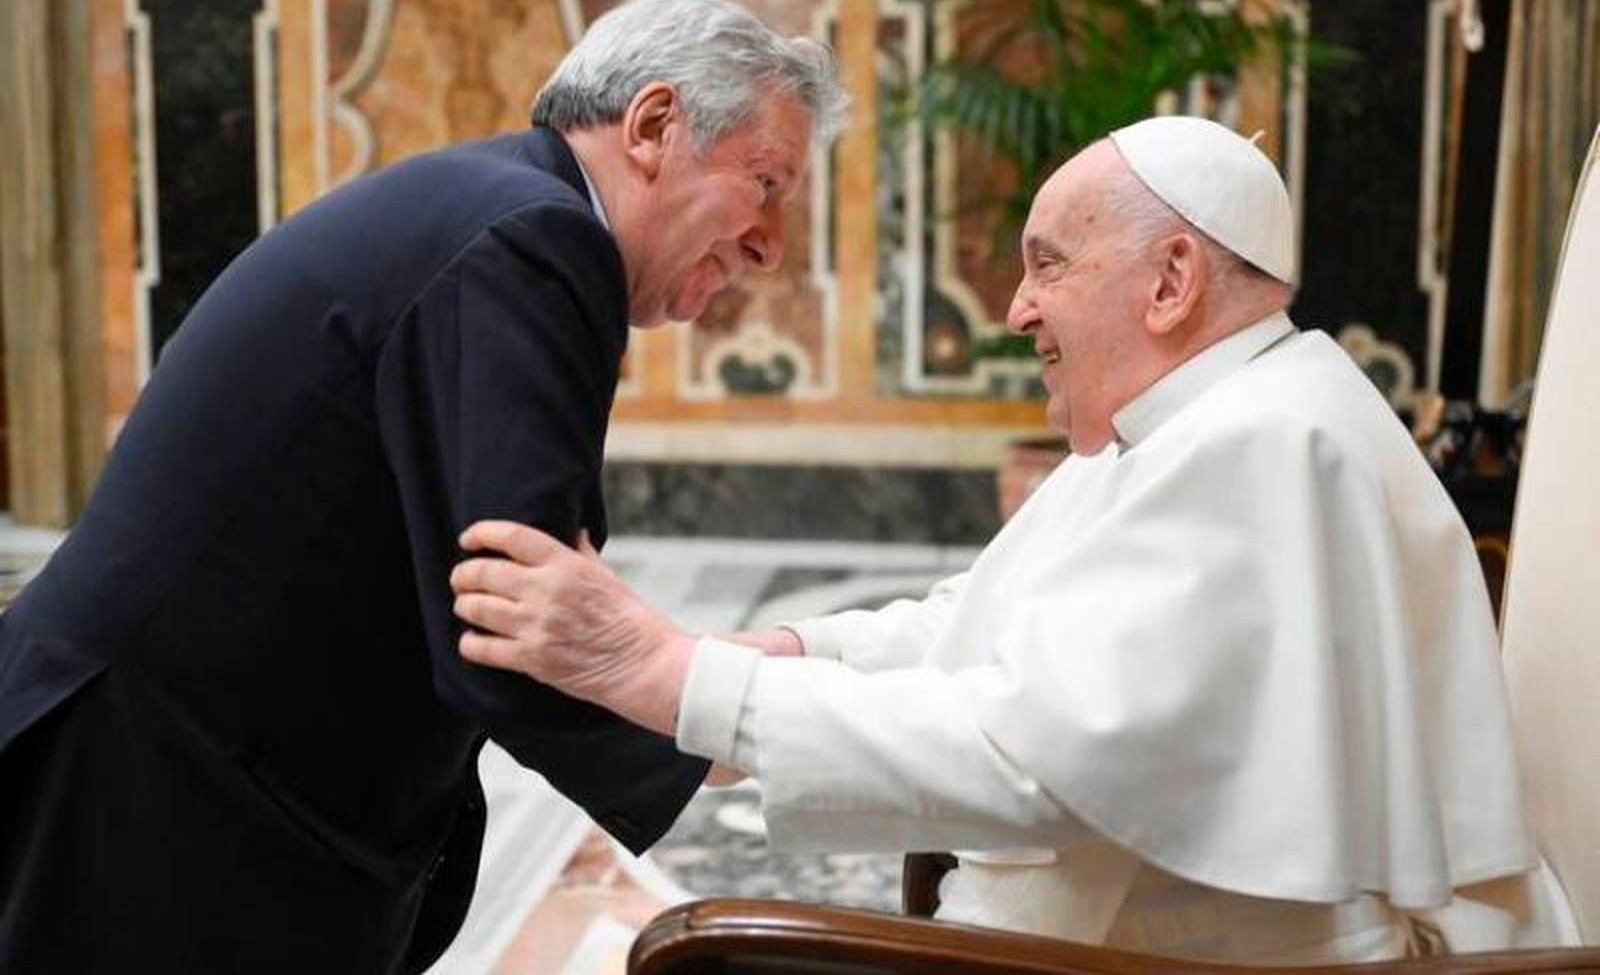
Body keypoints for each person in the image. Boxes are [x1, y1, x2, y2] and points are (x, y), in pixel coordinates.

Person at [448, 116, 1580, 964]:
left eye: (1048, 262)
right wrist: (772, 660)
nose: (1015, 309)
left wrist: (667, 675)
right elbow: (984, 627)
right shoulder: (1202, 416)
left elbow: (1032, 757)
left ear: (1172, 280)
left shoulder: (1264, 444)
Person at [0, 0, 846, 973]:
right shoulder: (535, 242)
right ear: (653, 126)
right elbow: (514, 618)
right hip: (157, 803)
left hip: (182, 777)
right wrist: (744, 721)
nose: (770, 243)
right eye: (767, 182)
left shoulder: (497, 210)